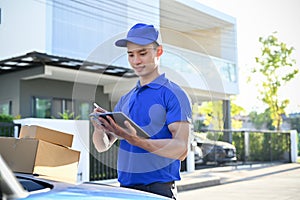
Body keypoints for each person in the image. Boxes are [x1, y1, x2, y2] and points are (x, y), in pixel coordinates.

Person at [91, 23, 192, 199]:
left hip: (157, 191)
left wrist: (135, 140)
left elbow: (181, 150)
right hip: (126, 190)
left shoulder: (174, 94)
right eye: (131, 54)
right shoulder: (126, 99)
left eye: (142, 53)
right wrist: (100, 129)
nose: (136, 61)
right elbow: (102, 146)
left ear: (158, 51)